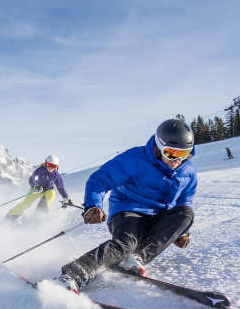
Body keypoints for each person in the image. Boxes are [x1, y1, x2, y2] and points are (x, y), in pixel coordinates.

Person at [57, 119, 196, 292]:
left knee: (186, 213)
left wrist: (182, 231)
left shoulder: (187, 170)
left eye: (183, 154)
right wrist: (93, 205)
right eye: (171, 153)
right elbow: (100, 179)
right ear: (160, 146)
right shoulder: (136, 159)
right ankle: (72, 275)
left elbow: (185, 199)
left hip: (158, 216)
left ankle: (134, 259)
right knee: (126, 243)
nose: (177, 160)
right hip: (129, 210)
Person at [6, 154, 71, 220]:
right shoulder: (41, 170)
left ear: (56, 167)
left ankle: (38, 216)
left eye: (53, 166)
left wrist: (65, 198)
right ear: (46, 163)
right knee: (26, 203)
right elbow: (32, 178)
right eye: (49, 165)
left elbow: (60, 188)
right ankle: (11, 215)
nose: (50, 168)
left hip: (48, 190)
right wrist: (36, 186)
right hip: (37, 189)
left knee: (51, 195)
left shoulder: (57, 176)